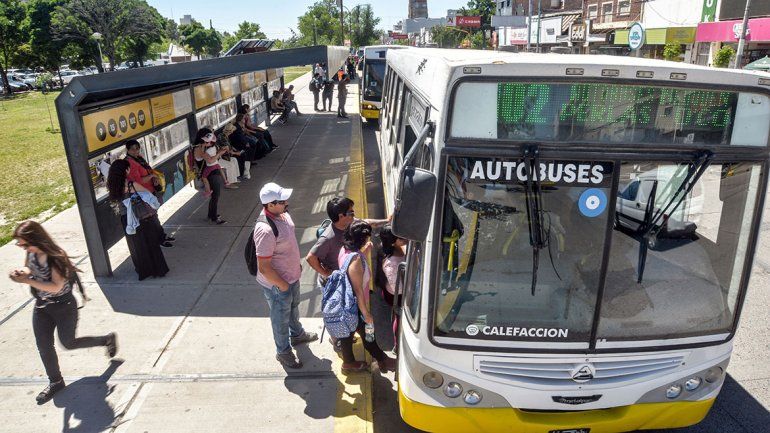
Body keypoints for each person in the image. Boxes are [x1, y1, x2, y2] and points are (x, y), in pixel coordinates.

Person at [9, 220, 118, 404]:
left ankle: (106, 339)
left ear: (36, 239)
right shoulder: (31, 252)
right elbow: (31, 268)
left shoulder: (56, 257)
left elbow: (55, 286)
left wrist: (27, 281)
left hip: (63, 305)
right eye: (20, 244)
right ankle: (56, 381)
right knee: (43, 345)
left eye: (24, 243)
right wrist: (23, 271)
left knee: (68, 343)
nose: (22, 247)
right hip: (42, 306)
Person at [306, 197, 389, 351]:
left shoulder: (349, 223)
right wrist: (327, 273)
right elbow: (310, 258)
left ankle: (345, 336)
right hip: (335, 283)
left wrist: (387, 220)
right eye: (351, 212)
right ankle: (336, 339)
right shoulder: (328, 237)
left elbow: (366, 222)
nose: (354, 215)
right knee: (337, 311)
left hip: (346, 277)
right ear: (340, 216)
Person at [254, 182, 318, 368]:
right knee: (280, 319)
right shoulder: (265, 230)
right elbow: (264, 267)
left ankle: (297, 335)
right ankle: (283, 352)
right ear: (270, 205)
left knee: (293, 307)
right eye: (282, 201)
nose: (286, 202)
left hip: (291, 275)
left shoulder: (283, 214)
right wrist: (282, 285)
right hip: (277, 284)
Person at [336, 220, 397, 374]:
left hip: (346, 303)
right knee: (368, 333)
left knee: (347, 333)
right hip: (355, 305)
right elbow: (357, 289)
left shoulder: (345, 250)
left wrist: (364, 253)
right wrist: (366, 313)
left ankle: (349, 362)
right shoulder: (356, 261)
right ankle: (382, 359)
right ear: (362, 240)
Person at [107, 159, 170, 279]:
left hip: (126, 219)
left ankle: (144, 271)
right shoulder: (131, 184)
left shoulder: (112, 185)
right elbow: (148, 195)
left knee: (136, 246)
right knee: (151, 243)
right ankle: (158, 270)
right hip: (141, 216)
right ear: (125, 170)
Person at [124, 140, 175, 246]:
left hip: (149, 191)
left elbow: (146, 171)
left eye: (137, 148)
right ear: (127, 150)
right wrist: (151, 176)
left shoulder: (138, 159)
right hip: (143, 195)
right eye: (132, 149)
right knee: (151, 218)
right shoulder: (130, 162)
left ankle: (161, 236)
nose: (135, 151)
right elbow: (138, 182)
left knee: (154, 216)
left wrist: (153, 178)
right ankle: (160, 240)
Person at [378, 224, 407, 352]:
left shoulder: (399, 249)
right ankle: (397, 344)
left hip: (398, 290)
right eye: (400, 238)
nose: (404, 238)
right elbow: (398, 289)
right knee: (399, 317)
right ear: (392, 243)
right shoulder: (391, 264)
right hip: (396, 296)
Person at [193, 128, 228, 224]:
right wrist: (220, 153)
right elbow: (210, 160)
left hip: (211, 172)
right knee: (215, 196)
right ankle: (214, 218)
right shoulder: (199, 148)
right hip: (209, 174)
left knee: (214, 196)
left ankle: (211, 214)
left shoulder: (200, 146)